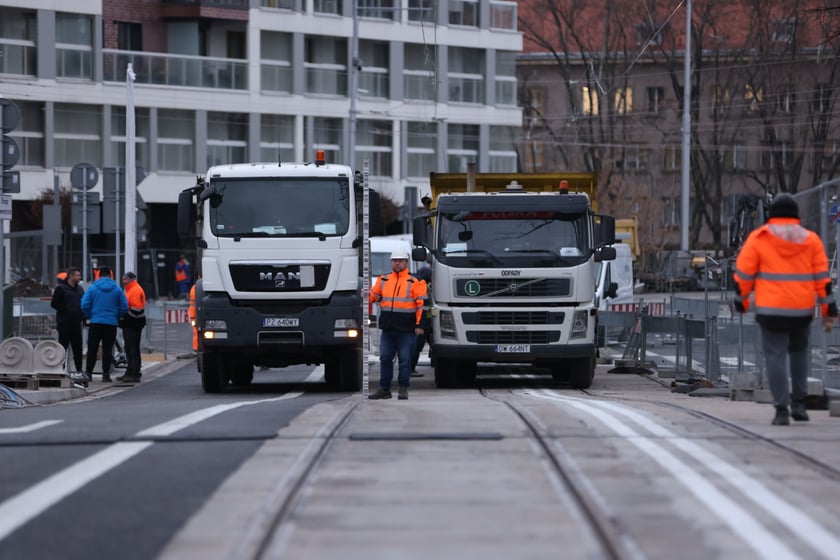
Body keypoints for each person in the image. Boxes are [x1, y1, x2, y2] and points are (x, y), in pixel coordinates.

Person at [733, 193, 837, 426]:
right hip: (801, 310)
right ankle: (799, 404)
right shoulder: (811, 240)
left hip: (771, 310)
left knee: (775, 356)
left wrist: (742, 301)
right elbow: (823, 279)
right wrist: (829, 309)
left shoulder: (759, 238)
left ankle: (781, 408)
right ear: (795, 215)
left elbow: (743, 275)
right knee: (800, 354)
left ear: (771, 215)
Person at [368, 249, 426, 400]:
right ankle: (384, 389)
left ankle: (403, 388)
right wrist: (367, 295)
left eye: (400, 260)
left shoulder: (416, 281)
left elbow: (422, 306)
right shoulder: (383, 279)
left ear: (406, 262)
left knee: (405, 361)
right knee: (385, 359)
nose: (397, 263)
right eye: (395, 260)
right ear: (391, 262)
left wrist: (420, 325)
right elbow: (375, 296)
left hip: (407, 330)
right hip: (388, 329)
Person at [81, 266, 128, 384]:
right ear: (110, 275)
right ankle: (106, 375)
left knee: (92, 349)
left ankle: (88, 373)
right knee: (107, 350)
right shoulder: (117, 289)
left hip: (95, 322)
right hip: (110, 324)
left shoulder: (92, 288)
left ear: (99, 275)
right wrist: (116, 316)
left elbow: (84, 305)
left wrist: (89, 315)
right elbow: (124, 307)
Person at [50, 267, 85, 375]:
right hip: (64, 322)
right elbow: (54, 304)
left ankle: (79, 370)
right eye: (77, 275)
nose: (80, 277)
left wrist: (83, 317)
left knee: (77, 348)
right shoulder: (61, 288)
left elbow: (83, 304)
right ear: (71, 276)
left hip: (76, 323)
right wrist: (66, 309)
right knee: (62, 346)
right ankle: (61, 368)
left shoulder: (79, 289)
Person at [117, 272, 146, 383]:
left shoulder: (134, 290)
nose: (123, 281)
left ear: (130, 280)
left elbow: (136, 310)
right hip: (134, 323)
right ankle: (131, 371)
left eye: (125, 279)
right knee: (131, 348)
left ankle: (133, 373)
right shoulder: (131, 289)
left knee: (131, 348)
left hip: (133, 324)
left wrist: (124, 318)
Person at [410, 266, 433, 377]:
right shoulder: (422, 285)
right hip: (423, 323)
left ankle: (410, 368)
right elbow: (425, 306)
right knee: (417, 346)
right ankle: (411, 369)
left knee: (418, 345)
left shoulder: (420, 283)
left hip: (423, 321)